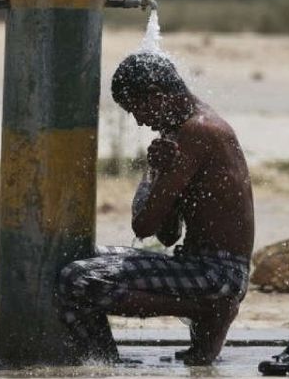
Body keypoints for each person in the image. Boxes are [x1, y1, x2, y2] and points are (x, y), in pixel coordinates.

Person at [58, 52, 254, 365]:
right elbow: (167, 234)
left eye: (138, 109)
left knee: (77, 279)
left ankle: (207, 309)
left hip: (218, 274)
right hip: (198, 266)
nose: (139, 121)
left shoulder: (197, 131)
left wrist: (155, 173)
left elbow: (143, 227)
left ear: (159, 96)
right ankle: (105, 365)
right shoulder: (178, 129)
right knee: (76, 256)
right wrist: (160, 172)